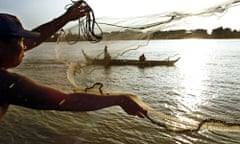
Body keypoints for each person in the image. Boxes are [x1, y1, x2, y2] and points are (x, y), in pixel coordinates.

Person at [0, 2, 147, 122]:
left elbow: (34, 39)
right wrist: (119, 100)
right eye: (20, 40)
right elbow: (66, 101)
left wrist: (66, 17)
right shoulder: (4, 83)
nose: (25, 45)